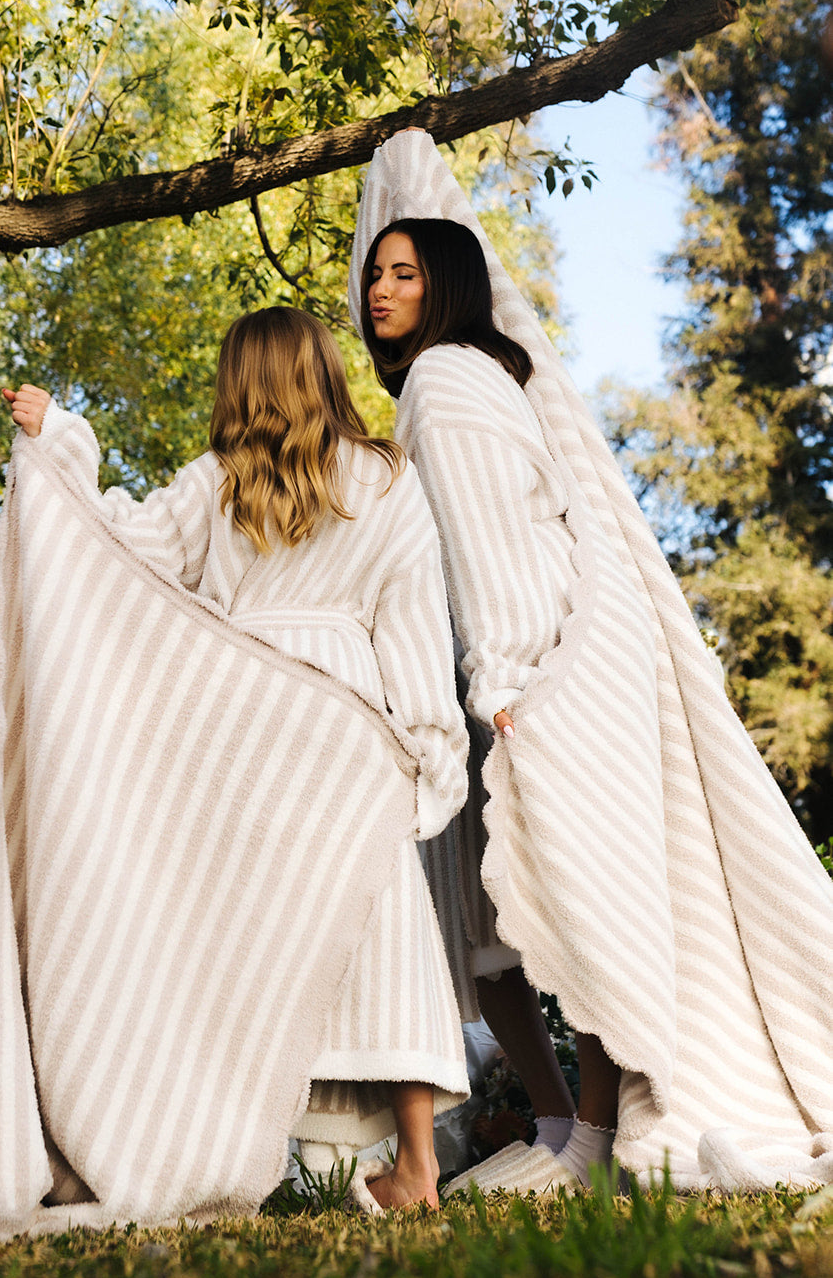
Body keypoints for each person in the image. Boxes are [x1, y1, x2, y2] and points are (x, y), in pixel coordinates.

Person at [346, 128, 833, 1194]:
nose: (376, 292)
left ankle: (595, 1132)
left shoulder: (440, 376)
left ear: (446, 283)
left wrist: (507, 679)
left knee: (570, 887)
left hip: (532, 659)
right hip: (532, 652)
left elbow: (493, 539)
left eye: (401, 273)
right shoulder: (475, 377)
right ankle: (564, 1124)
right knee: (491, 905)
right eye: (372, 274)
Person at [1, 306, 471, 1212]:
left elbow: (117, 548)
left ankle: (218, 1144)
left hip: (245, 714)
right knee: (381, 928)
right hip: (345, 715)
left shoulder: (213, 482)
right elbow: (411, 620)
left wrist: (62, 441)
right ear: (326, 373)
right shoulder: (386, 479)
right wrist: (427, 747)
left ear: (239, 380)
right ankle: (417, 1168)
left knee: (245, 939)